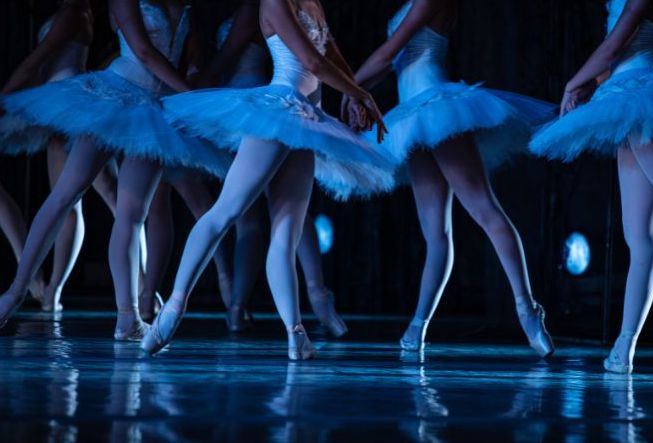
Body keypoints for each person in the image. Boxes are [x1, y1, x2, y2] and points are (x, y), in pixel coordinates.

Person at [142, 0, 393, 360]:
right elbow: (313, 63)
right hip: (279, 109)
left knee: (288, 230)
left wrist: (354, 92)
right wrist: (361, 94)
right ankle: (172, 310)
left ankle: (296, 335)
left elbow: (331, 54)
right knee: (226, 211)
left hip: (307, 118)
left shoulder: (315, 3)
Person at [0, 0, 228, 341]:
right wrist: (192, 96)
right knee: (67, 192)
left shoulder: (186, 6)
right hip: (114, 96)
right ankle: (14, 293)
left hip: (153, 109)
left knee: (133, 214)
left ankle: (128, 317)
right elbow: (144, 52)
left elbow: (187, 53)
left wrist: (193, 79)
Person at [344, 0, 555, 356]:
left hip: (437, 106)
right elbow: (390, 62)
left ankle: (527, 307)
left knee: (484, 209)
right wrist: (356, 94)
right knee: (435, 232)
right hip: (412, 115)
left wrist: (350, 89)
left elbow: (388, 52)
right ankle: (418, 325)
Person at [531, 0, 653, 373]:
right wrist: (591, 84)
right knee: (640, 237)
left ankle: (623, 347)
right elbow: (620, 53)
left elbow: (617, 42)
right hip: (626, 97)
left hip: (644, 96)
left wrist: (573, 83)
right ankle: (622, 349)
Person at [0, 0, 120, 312]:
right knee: (78, 201)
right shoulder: (73, 12)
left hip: (68, 105)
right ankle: (51, 289)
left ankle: (140, 285)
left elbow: (33, 63)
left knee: (103, 199)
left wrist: (5, 98)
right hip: (60, 104)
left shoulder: (74, 12)